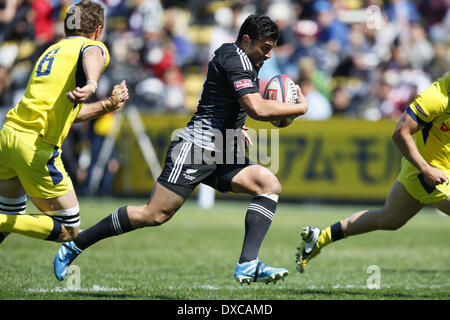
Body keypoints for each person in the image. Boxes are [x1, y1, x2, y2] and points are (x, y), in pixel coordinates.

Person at [53, 13, 309, 285]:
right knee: (154, 214)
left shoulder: (247, 59)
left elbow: (223, 99)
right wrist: (301, 108)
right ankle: (76, 244)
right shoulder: (234, 57)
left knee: (268, 184)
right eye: (265, 48)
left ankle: (248, 264)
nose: (268, 55)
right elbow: (257, 108)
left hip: (221, 148)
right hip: (195, 148)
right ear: (246, 40)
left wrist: (235, 127)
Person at [0, 0, 129, 244]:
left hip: (8, 138)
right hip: (35, 147)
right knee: (70, 230)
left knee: (8, 220)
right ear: (98, 30)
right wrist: (92, 83)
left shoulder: (51, 50)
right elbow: (93, 52)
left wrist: (107, 106)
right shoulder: (93, 46)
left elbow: (70, 114)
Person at [296, 73, 450, 272]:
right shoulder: (435, 97)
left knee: (389, 219)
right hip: (427, 173)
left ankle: (320, 237)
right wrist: (426, 169)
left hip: (439, 168)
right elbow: (400, 133)